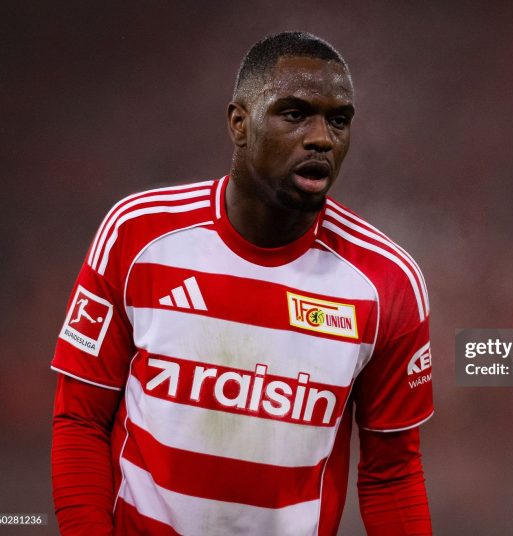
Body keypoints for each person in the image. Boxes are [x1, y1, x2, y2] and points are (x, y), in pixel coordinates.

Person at [51, 31, 434, 535]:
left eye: (338, 120)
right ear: (239, 123)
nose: (322, 137)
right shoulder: (137, 235)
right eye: (295, 114)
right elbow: (80, 421)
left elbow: (392, 475)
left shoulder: (387, 282)